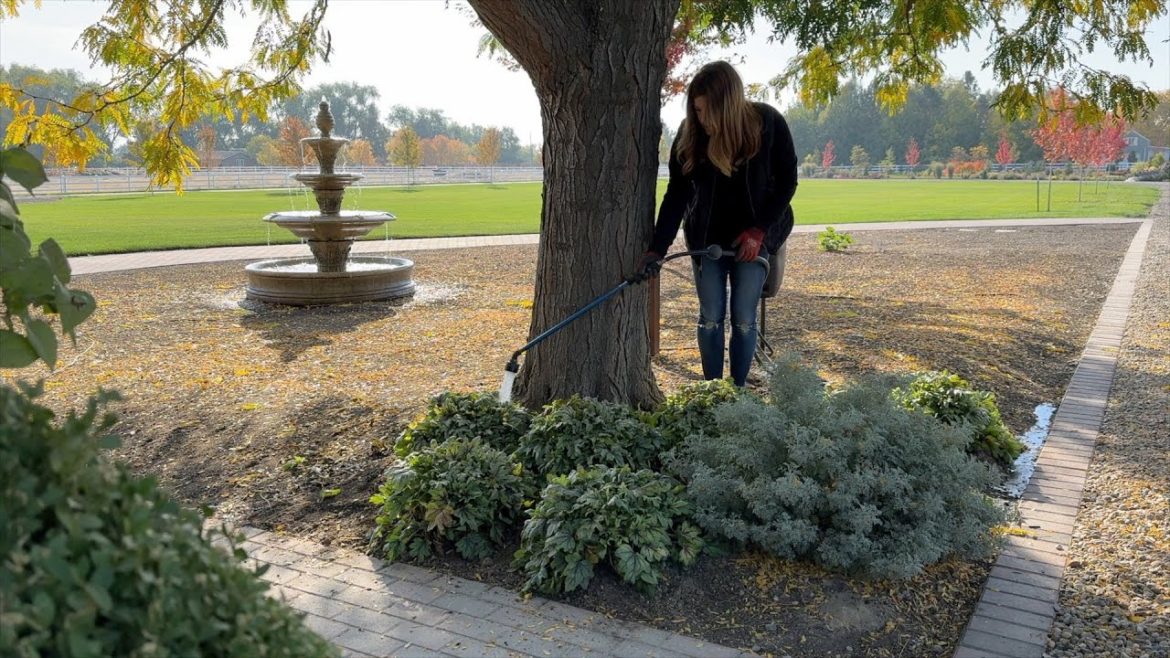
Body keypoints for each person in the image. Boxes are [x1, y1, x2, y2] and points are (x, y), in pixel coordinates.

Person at [639, 60, 798, 387]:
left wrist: (759, 231)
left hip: (755, 240)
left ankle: (737, 394)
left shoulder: (768, 123)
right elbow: (677, 196)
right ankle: (713, 392)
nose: (700, 118)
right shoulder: (690, 135)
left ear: (726, 104)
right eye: (695, 110)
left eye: (705, 110)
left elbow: (787, 183)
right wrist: (657, 248)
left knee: (743, 318)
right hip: (707, 240)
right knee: (710, 318)